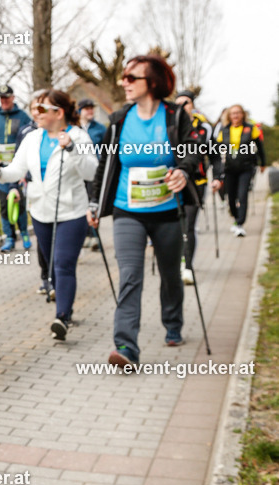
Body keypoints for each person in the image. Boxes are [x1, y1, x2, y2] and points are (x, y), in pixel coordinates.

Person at [88, 55, 200, 368]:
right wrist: (95, 204)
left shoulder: (175, 116)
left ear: (151, 82)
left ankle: (173, 323)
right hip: (128, 211)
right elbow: (106, 164)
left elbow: (192, 148)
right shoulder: (120, 118)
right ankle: (126, 346)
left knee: (170, 275)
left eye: (130, 77)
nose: (123, 82)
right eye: (123, 77)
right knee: (130, 276)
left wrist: (183, 170)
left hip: (167, 211)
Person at [0, 89, 97, 340]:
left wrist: (71, 149)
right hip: (40, 211)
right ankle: (63, 303)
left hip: (72, 211)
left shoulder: (78, 136)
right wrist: (0, 173)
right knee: (52, 267)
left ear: (58, 113)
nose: (34, 113)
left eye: (40, 109)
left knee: (63, 264)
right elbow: (17, 169)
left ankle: (62, 317)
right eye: (34, 108)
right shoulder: (32, 138)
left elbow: (91, 171)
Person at [0, 85, 33, 251]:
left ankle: (24, 233)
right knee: (4, 204)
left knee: (19, 202)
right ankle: (9, 238)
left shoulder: (23, 117)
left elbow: (30, 136)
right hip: (0, 168)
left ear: (13, 98)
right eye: (1, 98)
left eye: (7, 97)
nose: (4, 101)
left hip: (19, 166)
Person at [174, 90, 212, 283]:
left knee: (189, 224)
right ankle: (176, 260)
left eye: (186, 103)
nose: (182, 107)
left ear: (193, 105)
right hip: (172, 182)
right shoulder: (169, 124)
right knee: (174, 227)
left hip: (196, 182)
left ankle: (187, 266)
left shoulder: (203, 126)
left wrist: (219, 176)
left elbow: (212, 153)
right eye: (178, 103)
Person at [212, 104, 266, 236]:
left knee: (242, 195)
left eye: (238, 113)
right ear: (229, 116)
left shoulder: (250, 129)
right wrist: (217, 174)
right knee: (230, 198)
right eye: (233, 113)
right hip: (229, 169)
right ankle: (236, 218)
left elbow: (259, 147)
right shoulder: (223, 130)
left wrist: (262, 163)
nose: (235, 116)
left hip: (246, 168)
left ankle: (240, 223)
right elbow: (217, 154)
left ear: (243, 114)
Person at [78, 98, 105, 251]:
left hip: (95, 172)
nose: (90, 111)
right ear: (80, 111)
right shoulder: (75, 129)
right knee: (81, 203)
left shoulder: (100, 129)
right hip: (79, 171)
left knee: (93, 202)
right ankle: (84, 236)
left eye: (91, 108)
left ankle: (95, 236)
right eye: (86, 109)